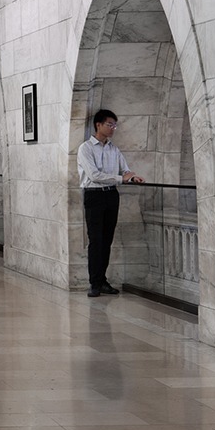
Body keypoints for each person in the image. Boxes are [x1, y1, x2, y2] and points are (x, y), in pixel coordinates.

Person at [76, 109, 143, 296]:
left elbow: (126, 171)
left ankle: (103, 280)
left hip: (111, 195)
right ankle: (94, 283)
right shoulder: (86, 148)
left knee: (107, 240)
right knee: (95, 240)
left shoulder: (114, 149)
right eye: (110, 124)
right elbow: (94, 176)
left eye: (115, 125)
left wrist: (132, 177)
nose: (113, 128)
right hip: (94, 195)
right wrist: (121, 179)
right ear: (98, 125)